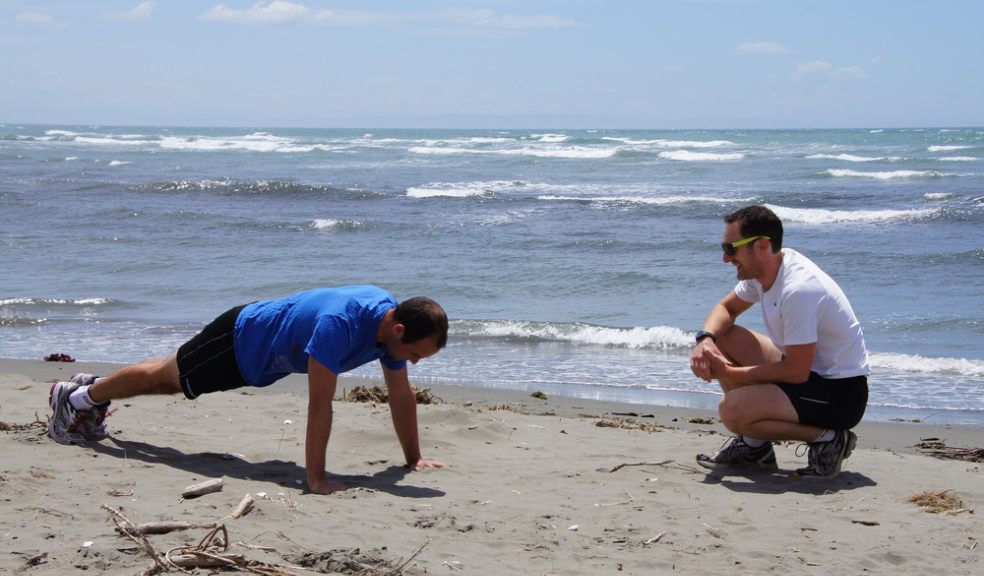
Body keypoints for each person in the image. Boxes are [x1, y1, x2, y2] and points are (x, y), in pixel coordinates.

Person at [47, 285, 449, 494]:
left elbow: (400, 394)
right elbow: (319, 406)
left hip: (255, 351)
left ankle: (89, 389)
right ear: (399, 329)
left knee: (166, 373)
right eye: (415, 353)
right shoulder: (340, 326)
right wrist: (316, 479)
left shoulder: (389, 328)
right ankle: (78, 399)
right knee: (167, 380)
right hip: (240, 342)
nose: (411, 362)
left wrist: (414, 459)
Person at [690, 205, 869, 478]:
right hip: (805, 374)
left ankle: (829, 438)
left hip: (839, 394)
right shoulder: (765, 272)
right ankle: (754, 448)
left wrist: (728, 372)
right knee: (723, 336)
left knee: (732, 411)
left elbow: (795, 372)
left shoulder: (799, 289)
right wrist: (705, 340)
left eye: (731, 249)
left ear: (761, 246)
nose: (726, 258)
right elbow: (725, 309)